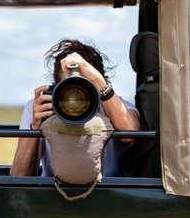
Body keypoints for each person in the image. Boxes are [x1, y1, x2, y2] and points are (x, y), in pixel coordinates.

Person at [10, 39, 140, 177]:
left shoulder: (117, 106)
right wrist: (35, 128)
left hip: (109, 190)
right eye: (69, 87)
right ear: (56, 87)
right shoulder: (40, 106)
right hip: (52, 190)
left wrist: (101, 85)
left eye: (86, 85)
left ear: (102, 82)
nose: (77, 98)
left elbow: (130, 134)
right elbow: (20, 175)